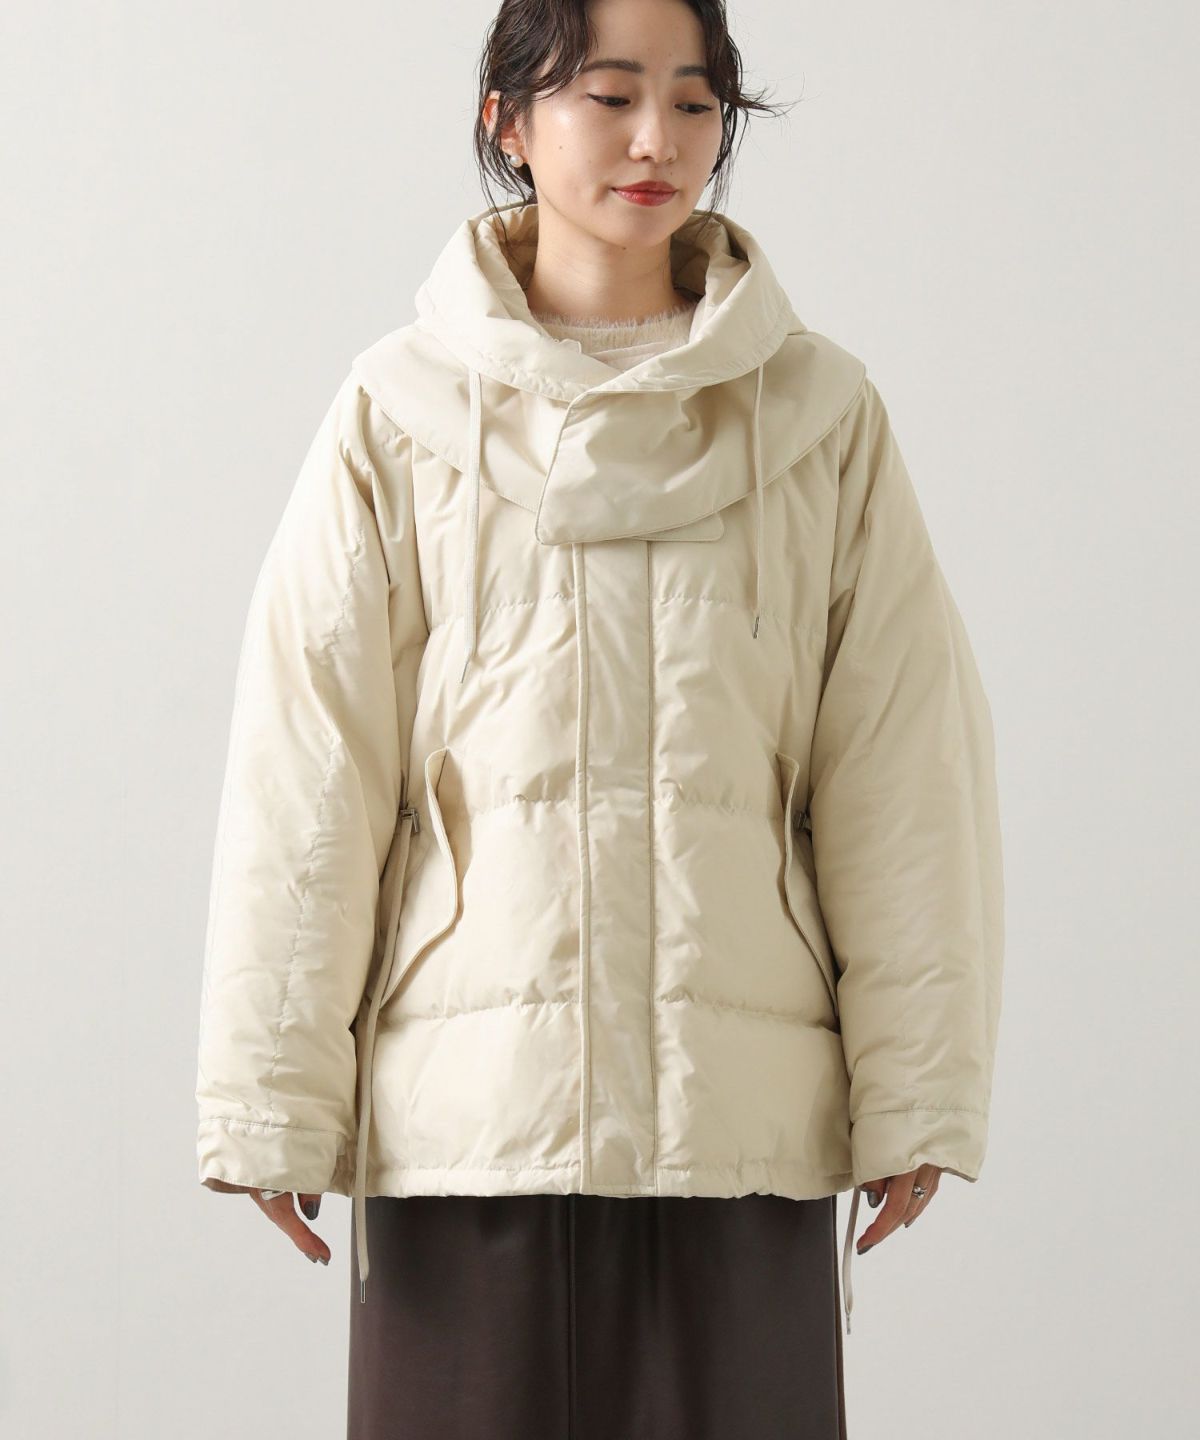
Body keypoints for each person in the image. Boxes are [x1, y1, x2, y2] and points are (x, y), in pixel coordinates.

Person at [194, 1, 1005, 1436]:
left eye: (694, 102)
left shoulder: (820, 418)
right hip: (472, 1123)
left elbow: (900, 772)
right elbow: (311, 773)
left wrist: (917, 1088)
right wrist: (273, 1095)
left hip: (738, 1122)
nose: (656, 141)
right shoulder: (399, 416)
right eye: (610, 95)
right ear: (507, 118)